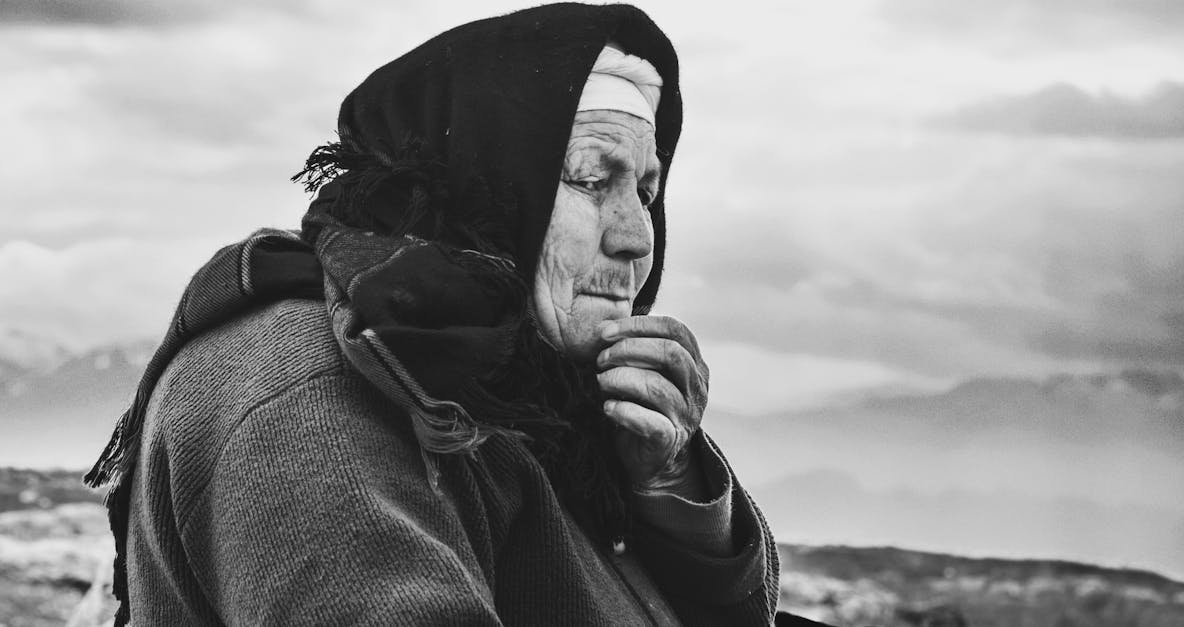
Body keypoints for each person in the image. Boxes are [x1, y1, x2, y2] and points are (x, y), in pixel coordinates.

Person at [86, 4, 782, 625]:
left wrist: (671, 490)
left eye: (648, 191)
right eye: (592, 180)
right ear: (486, 174)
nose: (637, 235)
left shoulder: (520, 385)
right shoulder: (308, 395)